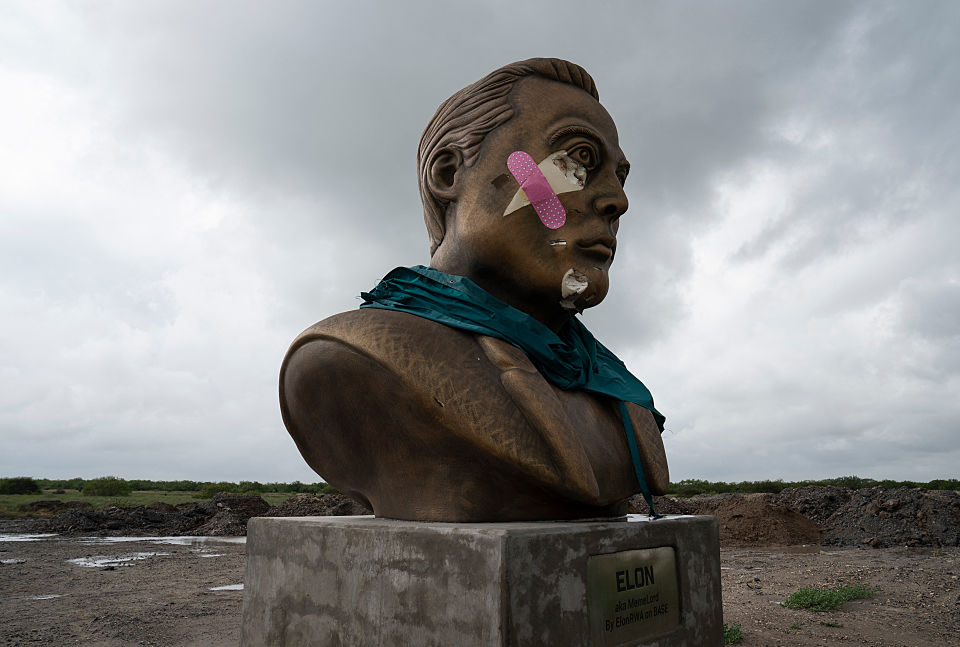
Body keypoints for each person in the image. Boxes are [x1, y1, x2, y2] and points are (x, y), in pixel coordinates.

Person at [280, 58, 669, 522]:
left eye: (619, 176)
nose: (616, 200)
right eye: (579, 159)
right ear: (448, 174)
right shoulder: (348, 358)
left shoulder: (609, 384)